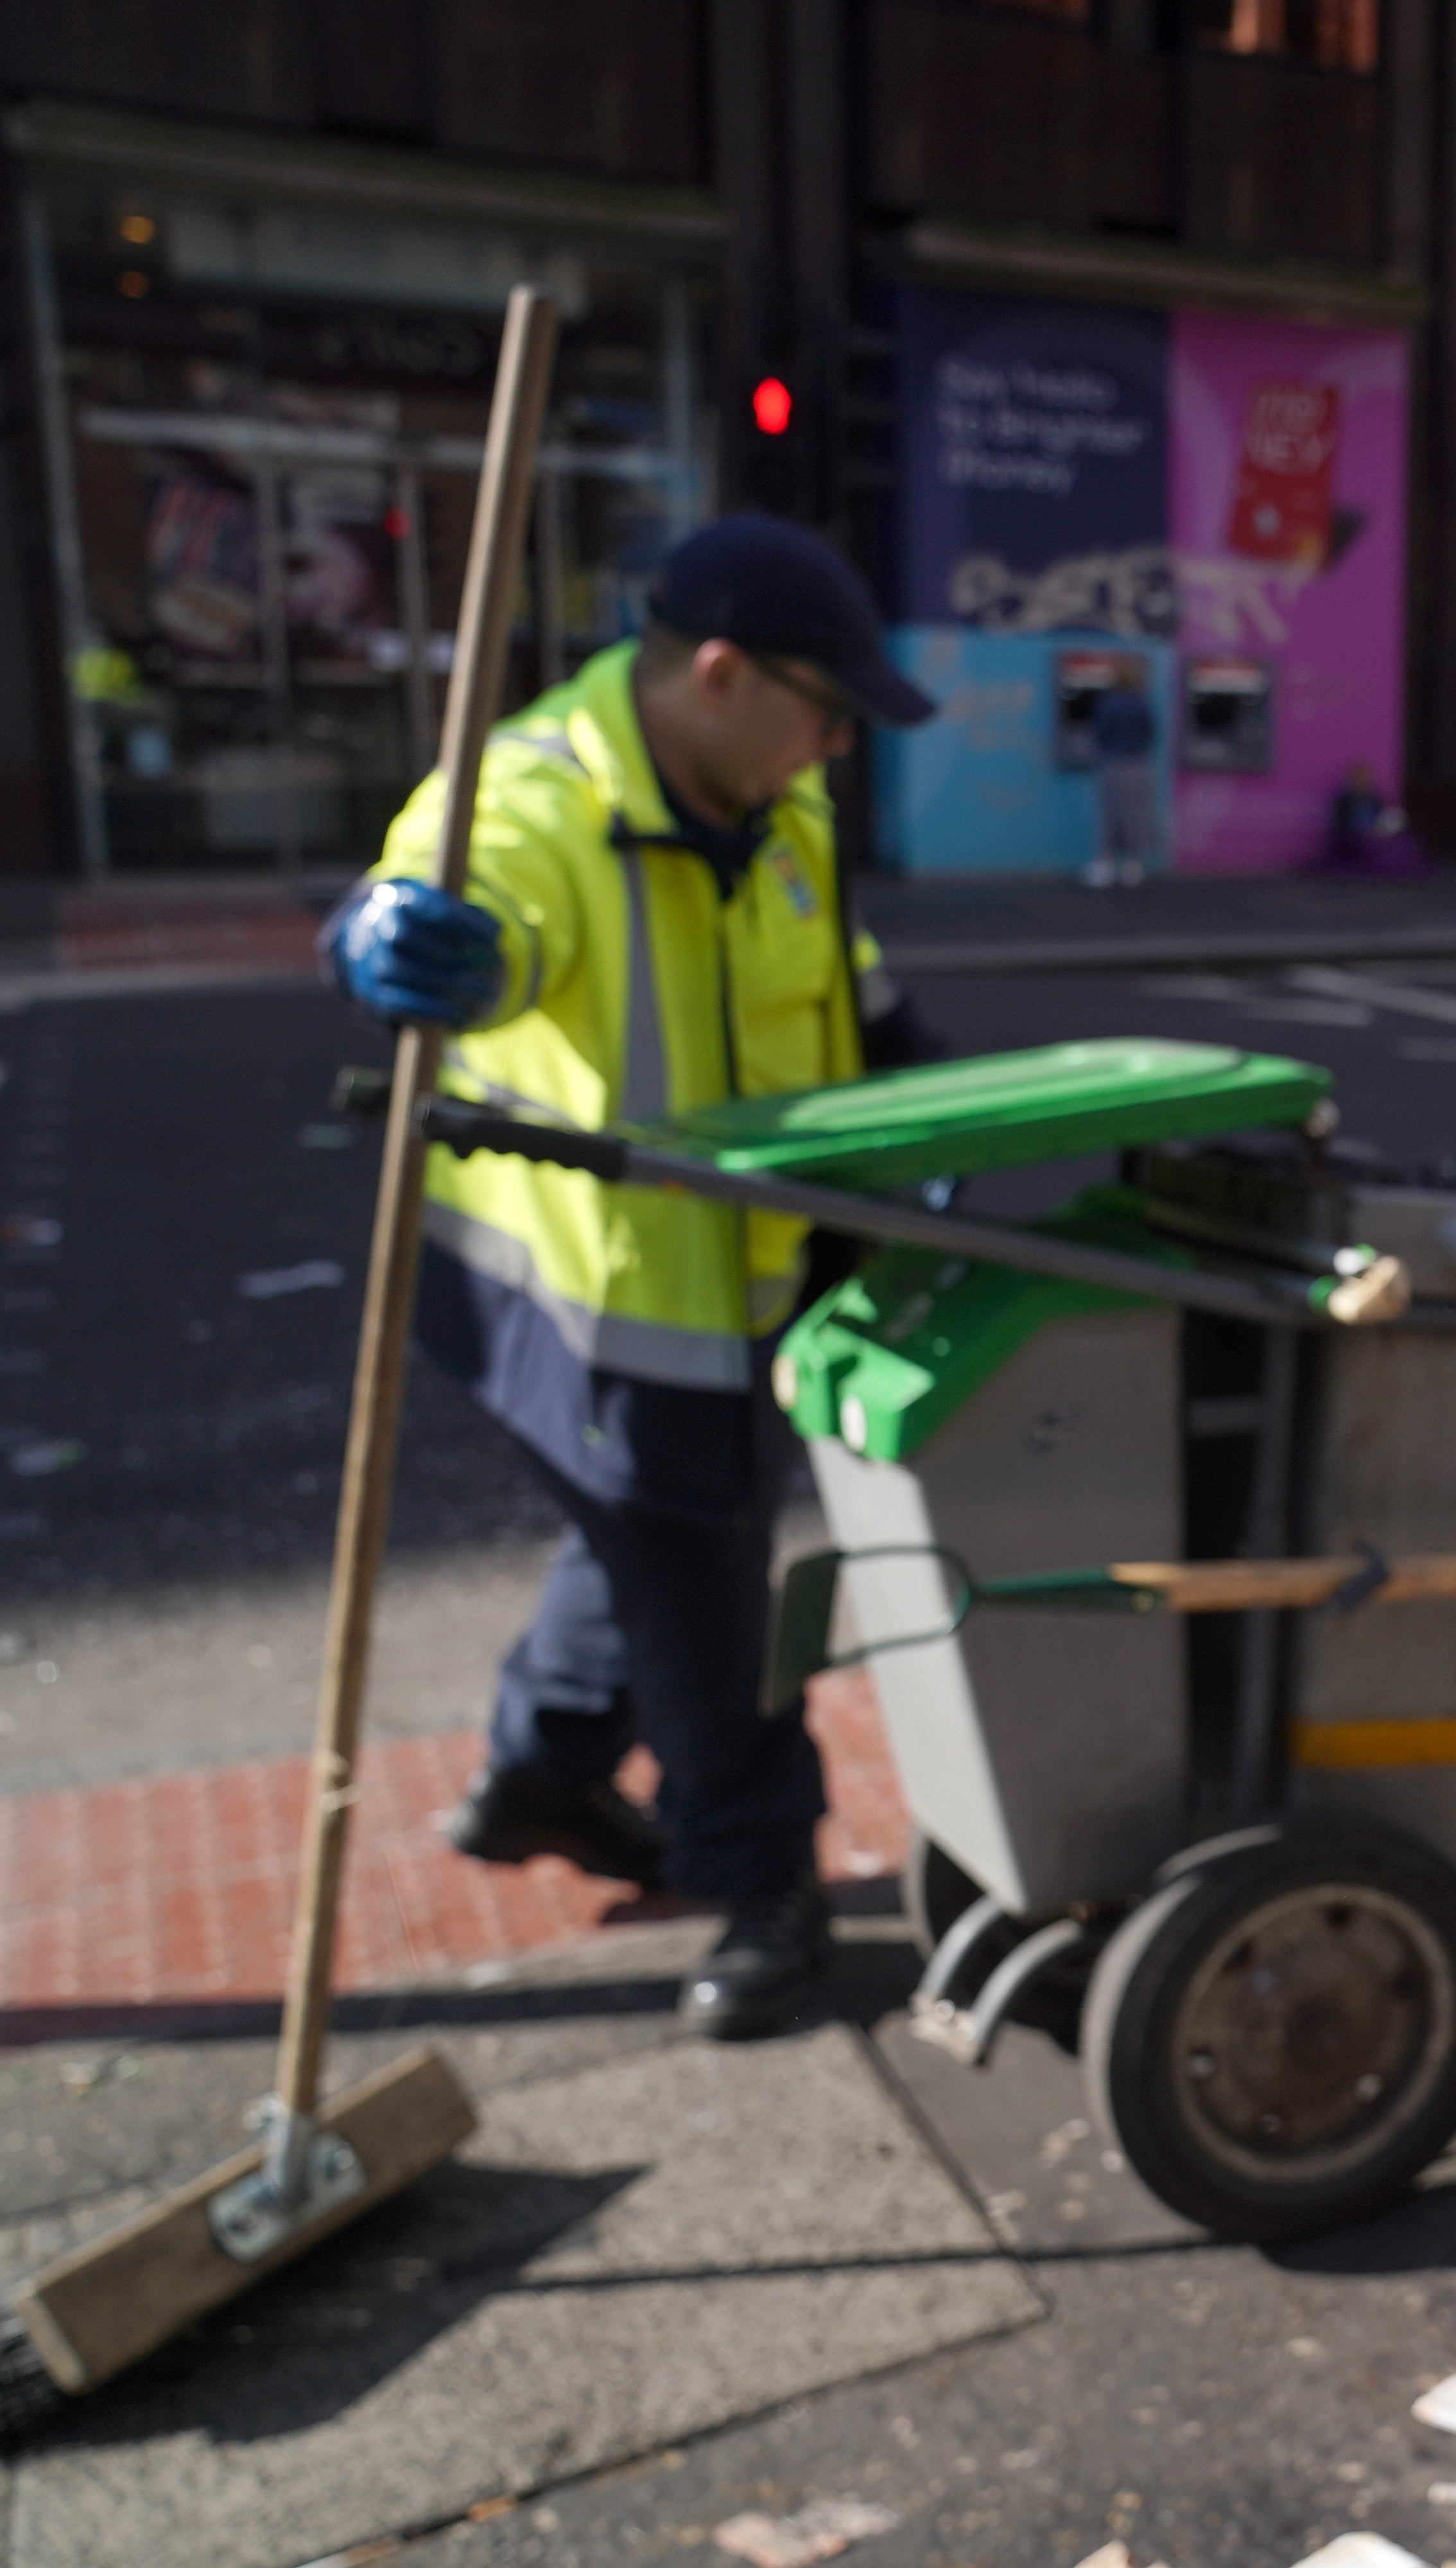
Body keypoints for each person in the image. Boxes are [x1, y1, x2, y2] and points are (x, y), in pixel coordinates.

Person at [323, 514, 939, 2039]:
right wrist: (393, 940)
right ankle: (759, 1891)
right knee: (710, 1585)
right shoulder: (535, 798)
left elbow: (856, 1002)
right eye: (822, 712)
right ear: (720, 676)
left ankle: (541, 1772)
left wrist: (924, 1122)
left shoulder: (774, 810)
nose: (832, 751)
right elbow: (468, 906)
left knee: (641, 1542)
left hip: (753, 1271)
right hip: (607, 1304)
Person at [1084, 666, 1159, 888]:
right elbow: (1150, 733)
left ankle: (1105, 866)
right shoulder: (1141, 703)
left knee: (1110, 814)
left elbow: (1101, 733)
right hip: (1138, 764)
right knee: (1134, 814)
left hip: (1113, 764)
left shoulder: (1109, 703)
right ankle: (1131, 867)